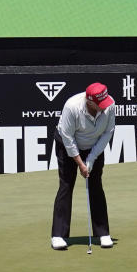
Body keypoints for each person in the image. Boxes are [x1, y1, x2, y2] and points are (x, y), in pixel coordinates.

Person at [51, 82, 116, 250]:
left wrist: (92, 158)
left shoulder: (109, 105)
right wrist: (80, 163)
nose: (103, 108)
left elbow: (108, 132)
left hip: (94, 145)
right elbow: (68, 139)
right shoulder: (72, 107)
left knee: (96, 185)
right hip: (67, 146)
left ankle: (102, 233)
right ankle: (58, 236)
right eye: (99, 105)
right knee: (66, 185)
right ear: (89, 101)